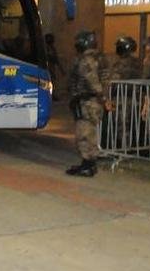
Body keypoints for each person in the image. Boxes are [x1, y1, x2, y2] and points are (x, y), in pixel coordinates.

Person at [66, 29, 108, 177]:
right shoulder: (100, 57)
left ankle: (88, 164)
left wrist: (101, 96)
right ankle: (88, 163)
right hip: (92, 101)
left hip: (87, 101)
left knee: (84, 133)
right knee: (90, 132)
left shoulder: (86, 59)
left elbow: (93, 81)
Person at [44, 33, 63, 100]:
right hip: (48, 67)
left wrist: (61, 69)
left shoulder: (51, 48)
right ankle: (51, 95)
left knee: (52, 81)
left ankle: (52, 95)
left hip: (51, 67)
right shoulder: (46, 48)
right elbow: (52, 57)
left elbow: (55, 58)